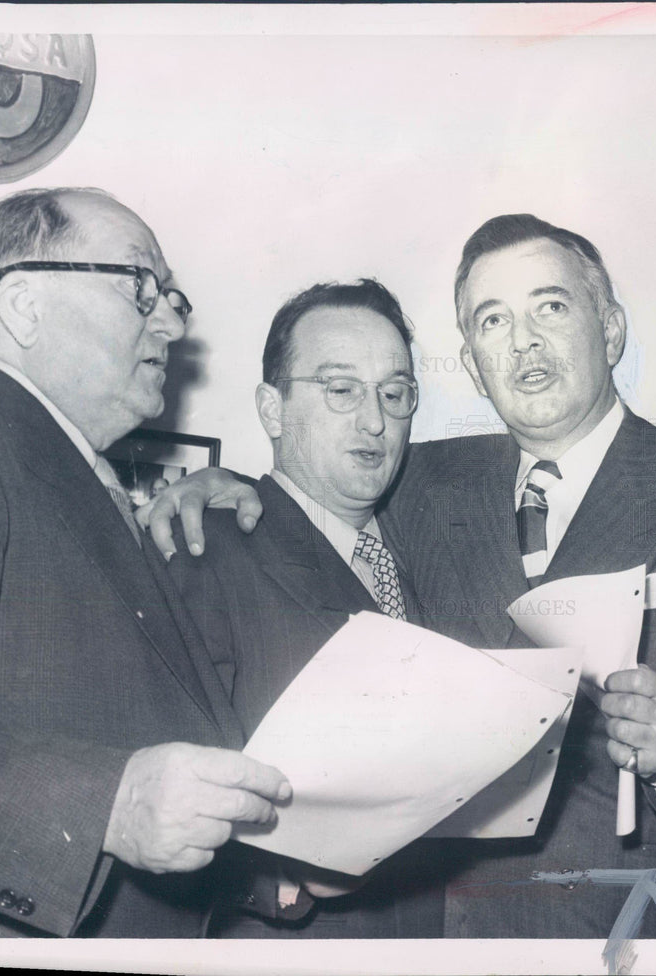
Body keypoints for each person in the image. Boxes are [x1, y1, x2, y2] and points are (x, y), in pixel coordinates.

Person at [144, 214, 656, 939]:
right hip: (455, 938)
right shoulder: (420, 481)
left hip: (649, 926)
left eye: (550, 307)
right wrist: (216, 488)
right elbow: (313, 485)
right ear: (474, 364)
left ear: (610, 329)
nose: (523, 342)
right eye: (493, 321)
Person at [0, 188, 291, 937]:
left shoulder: (85, 484)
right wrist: (106, 804)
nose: (175, 322)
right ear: (23, 302)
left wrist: (270, 871)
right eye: (139, 286)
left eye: (173, 296)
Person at [166, 280, 445, 938]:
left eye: (395, 393)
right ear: (272, 408)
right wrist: (276, 876)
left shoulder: (429, 556)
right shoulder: (210, 551)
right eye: (341, 389)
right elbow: (150, 784)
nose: (375, 420)